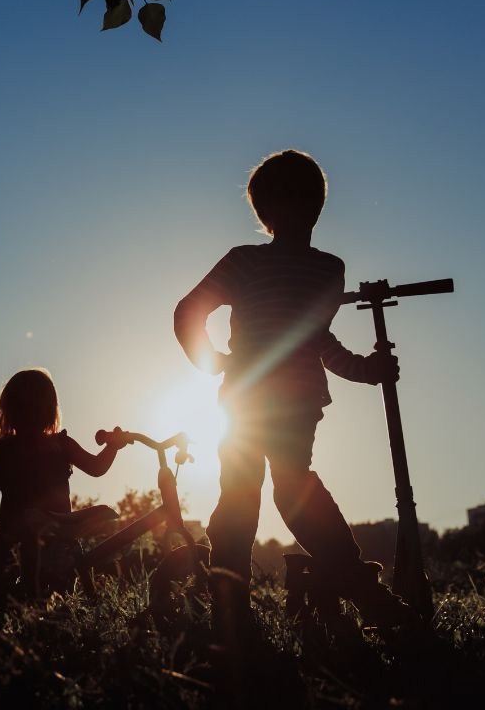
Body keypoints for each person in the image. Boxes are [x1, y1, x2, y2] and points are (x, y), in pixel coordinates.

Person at [173, 149, 412, 629]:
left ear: (265, 212)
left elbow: (191, 313)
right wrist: (366, 370)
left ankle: (246, 605)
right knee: (283, 490)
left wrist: (211, 361)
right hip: (273, 401)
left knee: (257, 494)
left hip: (259, 398)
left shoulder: (280, 265)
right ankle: (350, 588)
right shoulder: (321, 268)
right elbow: (318, 339)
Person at [0, 368, 123, 593]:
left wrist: (112, 447)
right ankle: (29, 594)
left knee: (57, 584)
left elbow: (96, 467)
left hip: (57, 535)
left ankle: (42, 599)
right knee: (23, 582)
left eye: (35, 407)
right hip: (16, 537)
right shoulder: (5, 450)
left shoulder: (59, 444)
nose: (31, 413)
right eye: (26, 407)